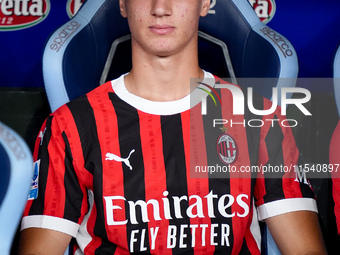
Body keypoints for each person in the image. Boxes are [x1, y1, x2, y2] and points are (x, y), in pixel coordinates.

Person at [19, 0, 327, 254]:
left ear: (205, 3)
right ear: (123, 5)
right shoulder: (69, 125)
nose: (160, 8)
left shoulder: (260, 119)